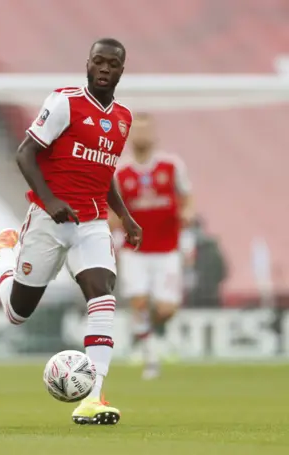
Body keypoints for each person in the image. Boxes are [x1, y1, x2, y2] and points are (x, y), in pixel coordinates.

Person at [0, 38, 141, 425]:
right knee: (18, 314)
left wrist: (126, 216)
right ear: (87, 64)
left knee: (103, 296)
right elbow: (25, 153)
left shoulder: (123, 117)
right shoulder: (64, 102)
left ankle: (94, 398)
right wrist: (49, 202)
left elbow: (104, 172)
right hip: (50, 221)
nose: (104, 68)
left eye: (111, 64)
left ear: (121, 70)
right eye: (98, 61)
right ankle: (1, 252)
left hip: (93, 222)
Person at [112, 112, 194, 380]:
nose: (143, 136)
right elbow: (113, 211)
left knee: (165, 309)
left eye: (147, 131)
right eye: (138, 131)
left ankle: (146, 335)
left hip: (167, 249)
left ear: (154, 135)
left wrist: (187, 217)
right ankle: (149, 355)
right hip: (134, 251)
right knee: (139, 302)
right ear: (131, 136)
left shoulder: (171, 166)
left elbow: (187, 199)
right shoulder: (120, 172)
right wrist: (111, 229)